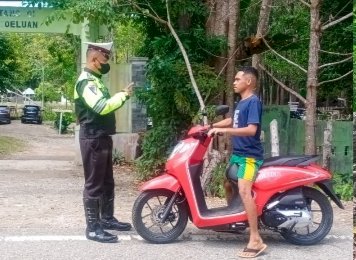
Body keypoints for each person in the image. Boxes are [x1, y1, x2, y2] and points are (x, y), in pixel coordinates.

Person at [74, 42, 133, 243]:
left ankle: (106, 219)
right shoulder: (86, 82)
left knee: (107, 182)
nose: (107, 61)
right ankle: (93, 228)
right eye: (105, 58)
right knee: (94, 185)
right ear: (94, 59)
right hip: (93, 138)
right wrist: (123, 95)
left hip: (101, 137)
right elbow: (101, 107)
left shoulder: (95, 80)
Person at [208, 66, 267, 258]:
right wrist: (210, 126)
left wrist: (224, 132)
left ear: (248, 82)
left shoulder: (254, 102)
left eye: (237, 79)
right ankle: (236, 221)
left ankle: (256, 238)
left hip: (250, 156)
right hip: (239, 154)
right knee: (227, 183)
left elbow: (251, 129)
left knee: (243, 190)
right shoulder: (242, 103)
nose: (234, 82)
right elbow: (234, 122)